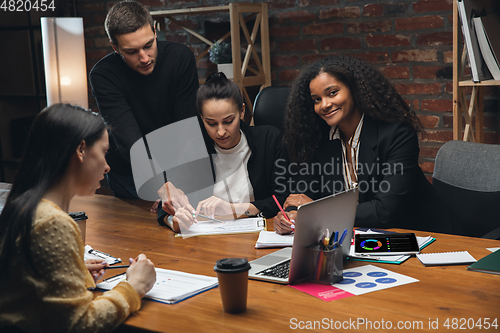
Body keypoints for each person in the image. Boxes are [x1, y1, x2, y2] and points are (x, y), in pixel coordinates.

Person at [0, 104, 156, 332]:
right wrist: (134, 286)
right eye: (103, 152)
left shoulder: (21, 207)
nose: (107, 167)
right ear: (81, 150)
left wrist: (75, 270)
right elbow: (79, 324)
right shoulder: (53, 223)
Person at [274, 56, 459, 235]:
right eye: (316, 99)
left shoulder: (396, 134)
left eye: (332, 93)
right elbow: (300, 196)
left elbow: (384, 211)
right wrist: (287, 216)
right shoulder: (318, 139)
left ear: (354, 89)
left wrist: (314, 211)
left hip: (422, 236)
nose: (324, 105)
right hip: (362, 240)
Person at [89, 0, 199, 199]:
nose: (144, 58)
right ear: (115, 47)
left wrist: (175, 184)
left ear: (155, 31)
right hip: (129, 172)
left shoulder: (180, 58)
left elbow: (186, 127)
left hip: (177, 164)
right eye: (131, 51)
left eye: (148, 45)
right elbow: (128, 138)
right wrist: (161, 186)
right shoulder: (103, 75)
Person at [157, 73, 285, 231]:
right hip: (209, 241)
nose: (221, 132)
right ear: (202, 118)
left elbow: (282, 199)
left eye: (228, 121)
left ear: (242, 111)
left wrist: (233, 209)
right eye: (211, 123)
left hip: (260, 235)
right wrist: (174, 221)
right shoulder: (197, 149)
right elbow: (166, 206)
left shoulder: (269, 140)